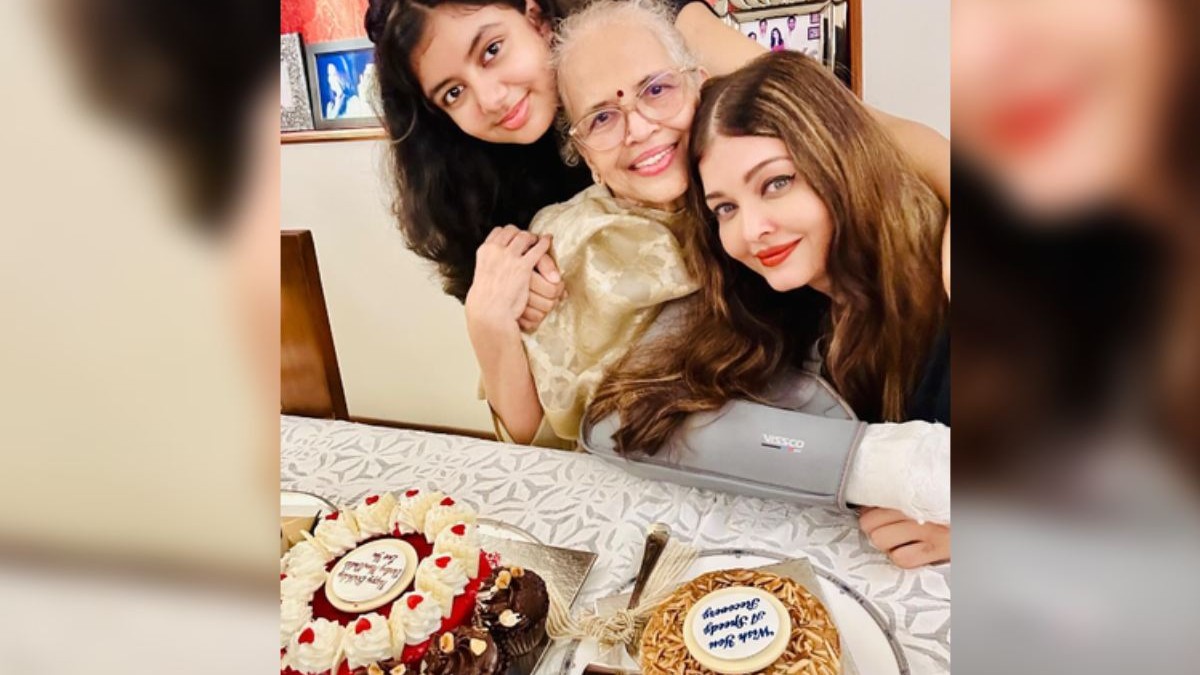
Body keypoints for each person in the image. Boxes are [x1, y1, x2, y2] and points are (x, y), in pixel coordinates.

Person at [587, 50, 951, 565]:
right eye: (725, 208)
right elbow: (614, 422)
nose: (751, 230)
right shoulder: (766, 297)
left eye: (776, 183)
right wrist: (877, 466)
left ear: (841, 160)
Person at [364, 0, 952, 309]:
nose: (491, 98)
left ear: (536, 17)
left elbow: (857, 125)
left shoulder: (650, 27)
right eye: (453, 93)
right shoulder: (481, 188)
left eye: (492, 50)